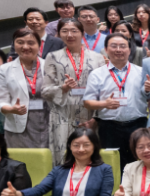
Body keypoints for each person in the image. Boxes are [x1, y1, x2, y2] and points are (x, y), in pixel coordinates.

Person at [83, 33, 150, 169]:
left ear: (129, 50)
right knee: (111, 164)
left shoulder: (141, 72)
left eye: (122, 46)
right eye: (114, 46)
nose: (118, 49)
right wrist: (105, 104)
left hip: (137, 125)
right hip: (109, 127)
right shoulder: (97, 74)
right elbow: (87, 102)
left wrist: (149, 90)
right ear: (106, 50)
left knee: (138, 162)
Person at [41, 19, 104, 162]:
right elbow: (45, 91)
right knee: (64, 157)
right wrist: (63, 88)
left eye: (74, 31)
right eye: (64, 31)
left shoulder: (97, 58)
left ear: (82, 33)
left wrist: (96, 119)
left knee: (90, 157)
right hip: (62, 115)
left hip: (89, 115)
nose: (69, 35)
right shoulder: (52, 57)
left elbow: (103, 92)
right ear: (58, 34)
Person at [0, 29, 49, 149]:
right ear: (14, 45)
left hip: (48, 124)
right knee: (21, 159)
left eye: (31, 43)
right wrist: (11, 109)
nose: (25, 47)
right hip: (18, 126)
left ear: (39, 45)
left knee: (50, 159)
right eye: (20, 42)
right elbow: (0, 100)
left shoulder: (51, 66)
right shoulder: (5, 69)